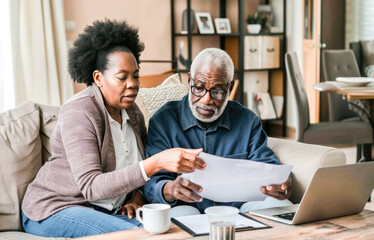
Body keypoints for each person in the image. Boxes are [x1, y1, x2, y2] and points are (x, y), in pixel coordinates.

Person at [21, 19, 205, 238]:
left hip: (104, 210)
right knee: (146, 234)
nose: (133, 84)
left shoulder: (133, 112)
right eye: (122, 77)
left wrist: (136, 197)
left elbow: (134, 172)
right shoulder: (79, 112)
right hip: (55, 208)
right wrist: (154, 164)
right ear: (98, 78)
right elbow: (91, 186)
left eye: (136, 75)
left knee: (169, 226)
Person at [143, 48, 293, 217]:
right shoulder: (163, 121)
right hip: (186, 207)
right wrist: (169, 189)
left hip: (240, 208)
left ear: (230, 87)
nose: (206, 100)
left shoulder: (247, 120)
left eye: (217, 91)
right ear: (190, 80)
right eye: (198, 88)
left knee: (281, 207)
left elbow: (268, 167)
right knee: (176, 216)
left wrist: (281, 185)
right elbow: (151, 182)